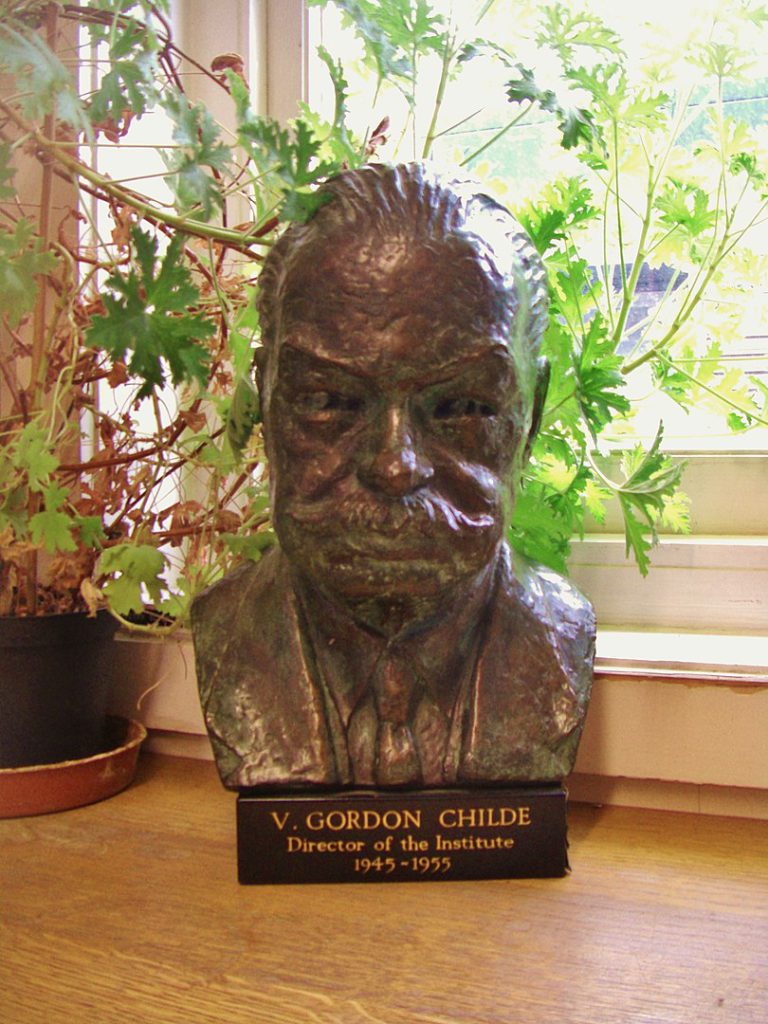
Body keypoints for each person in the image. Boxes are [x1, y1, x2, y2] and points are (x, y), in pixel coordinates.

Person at [191, 162, 594, 791]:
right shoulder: (226, 631)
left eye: (462, 407)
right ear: (266, 400)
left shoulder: (559, 637)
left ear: (529, 413)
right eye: (328, 400)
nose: (395, 465)